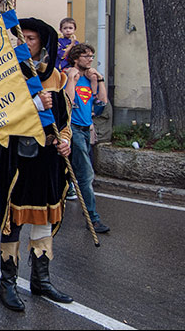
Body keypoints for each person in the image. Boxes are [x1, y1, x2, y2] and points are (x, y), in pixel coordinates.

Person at [0, 18, 73, 312]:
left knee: (44, 219)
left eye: (31, 39)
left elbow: (66, 119)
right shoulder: (7, 74)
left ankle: (41, 281)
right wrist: (35, 105)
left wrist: (65, 140)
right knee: (14, 219)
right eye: (20, 38)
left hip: (47, 160)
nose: (23, 43)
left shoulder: (57, 78)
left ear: (43, 43)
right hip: (16, 158)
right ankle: (7, 284)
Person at [65, 43, 110, 234]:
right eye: (86, 56)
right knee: (85, 174)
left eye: (91, 56)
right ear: (76, 58)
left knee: (72, 173)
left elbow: (101, 103)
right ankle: (93, 218)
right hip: (72, 130)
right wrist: (71, 79)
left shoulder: (90, 79)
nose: (90, 59)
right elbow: (69, 102)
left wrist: (98, 80)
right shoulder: (69, 76)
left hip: (84, 130)